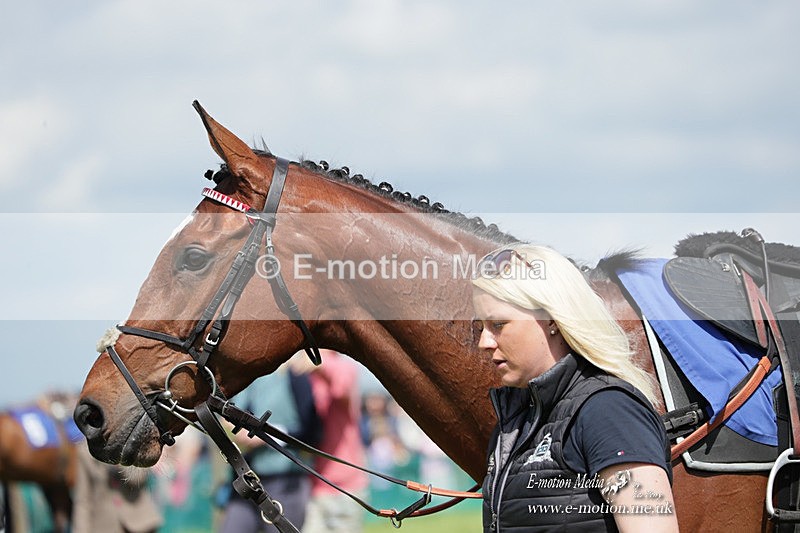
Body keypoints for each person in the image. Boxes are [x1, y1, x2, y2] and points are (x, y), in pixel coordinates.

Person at [471, 244, 678, 532]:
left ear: (552, 319)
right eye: (480, 326)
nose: (484, 342)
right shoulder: (517, 421)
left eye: (498, 324)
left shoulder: (610, 410)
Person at [218, 363, 321, 533]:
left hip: (286, 481)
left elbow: (312, 432)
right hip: (246, 481)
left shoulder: (294, 375)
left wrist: (266, 437)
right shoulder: (243, 378)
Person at [293, 349, 369, 533]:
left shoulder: (345, 367)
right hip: (315, 486)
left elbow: (342, 388)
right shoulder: (306, 379)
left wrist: (320, 366)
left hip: (346, 487)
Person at [72, 440, 163, 533]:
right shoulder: (84, 451)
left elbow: (137, 478)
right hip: (104, 526)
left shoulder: (133, 439)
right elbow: (83, 499)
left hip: (141, 523)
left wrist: (117, 456)